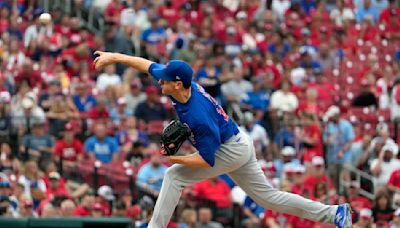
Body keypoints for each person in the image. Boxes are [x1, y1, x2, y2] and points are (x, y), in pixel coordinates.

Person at [93, 51, 352, 228]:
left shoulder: (197, 115)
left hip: (229, 149)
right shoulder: (182, 86)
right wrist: (114, 57)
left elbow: (207, 159)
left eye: (167, 80)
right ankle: (334, 213)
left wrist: (176, 158)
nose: (161, 80)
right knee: (269, 198)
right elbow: (147, 64)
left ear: (178, 84)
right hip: (237, 142)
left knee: (174, 175)